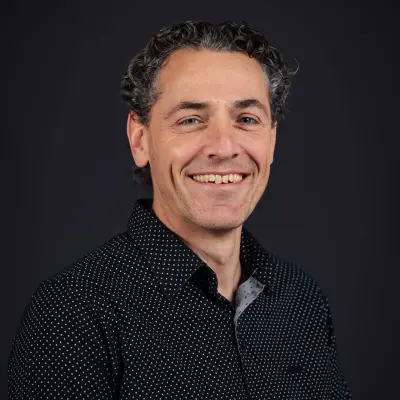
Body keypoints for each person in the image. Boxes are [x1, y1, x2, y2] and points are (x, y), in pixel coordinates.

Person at [8, 20, 352, 399]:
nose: (223, 147)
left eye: (246, 120)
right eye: (190, 119)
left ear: (271, 141)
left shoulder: (302, 298)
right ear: (140, 140)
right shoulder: (74, 311)